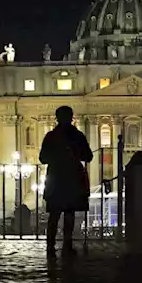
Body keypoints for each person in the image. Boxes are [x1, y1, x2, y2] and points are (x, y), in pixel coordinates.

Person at [39, 105, 93, 256]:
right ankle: (67, 245)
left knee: (54, 214)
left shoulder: (50, 136)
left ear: (57, 118)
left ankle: (50, 246)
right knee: (70, 214)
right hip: (72, 178)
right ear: (71, 118)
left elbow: (43, 158)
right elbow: (88, 156)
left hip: (55, 178)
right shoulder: (78, 136)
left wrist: (56, 157)